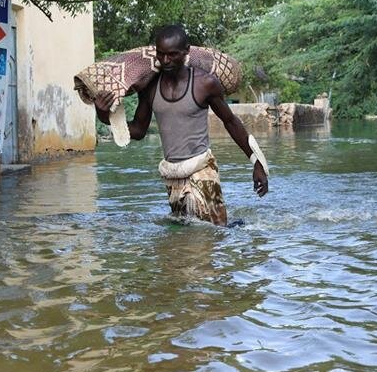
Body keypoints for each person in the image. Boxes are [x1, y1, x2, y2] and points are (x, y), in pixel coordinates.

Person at [93, 24, 269, 226]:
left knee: (212, 232)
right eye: (161, 55)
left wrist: (257, 162)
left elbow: (230, 121)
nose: (166, 61)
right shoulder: (150, 87)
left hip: (202, 171)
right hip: (172, 177)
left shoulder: (205, 84)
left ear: (186, 52)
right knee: (183, 236)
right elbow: (139, 130)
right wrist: (104, 113)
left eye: (172, 55)